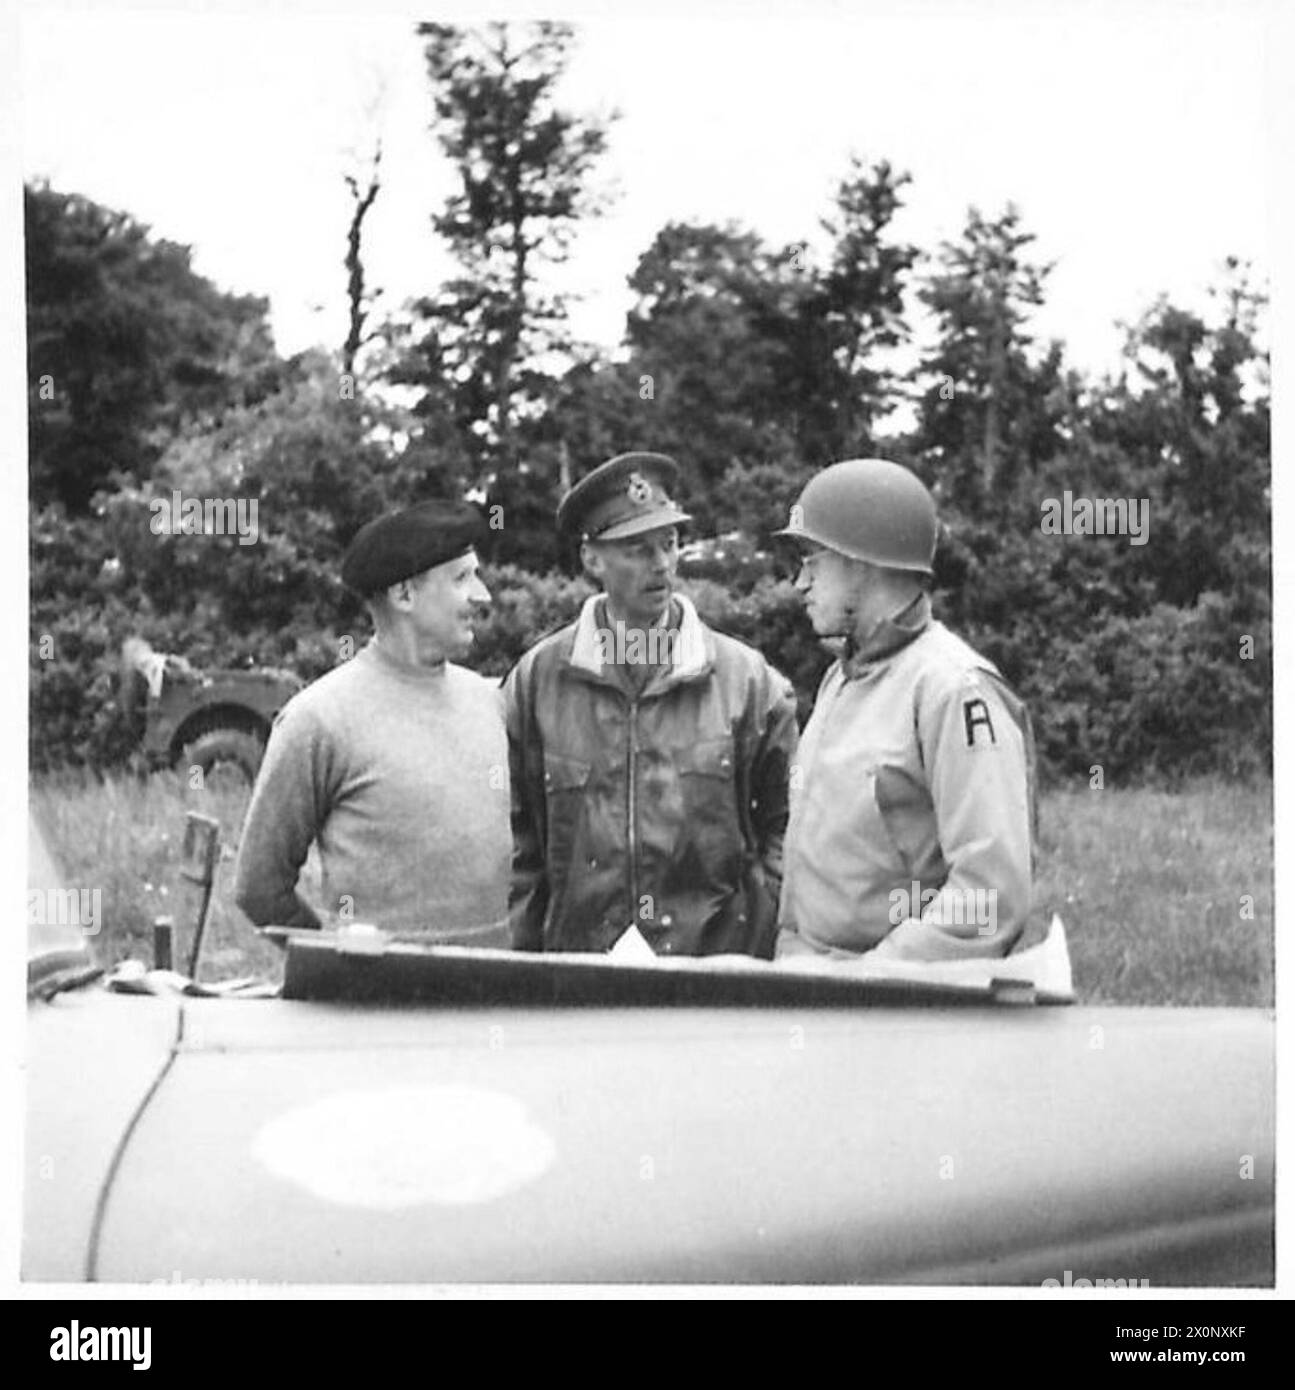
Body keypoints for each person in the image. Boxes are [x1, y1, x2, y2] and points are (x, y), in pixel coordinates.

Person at [505, 451, 798, 958]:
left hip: (712, 975)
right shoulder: (538, 679)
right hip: (578, 977)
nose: (661, 564)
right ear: (592, 560)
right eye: (637, 550)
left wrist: (755, 927)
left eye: (669, 543)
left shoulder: (745, 679)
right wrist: (526, 960)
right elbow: (516, 842)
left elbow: (788, 825)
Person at [774, 458, 1036, 962]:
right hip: (816, 990)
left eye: (812, 560)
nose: (799, 584)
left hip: (892, 1011)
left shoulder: (953, 688)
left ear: (860, 559)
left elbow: (990, 896)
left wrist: (875, 978)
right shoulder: (842, 675)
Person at [234, 500, 511, 941]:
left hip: (495, 1002)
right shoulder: (318, 719)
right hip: (372, 1005)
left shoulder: (491, 701)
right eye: (462, 577)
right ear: (404, 595)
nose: (483, 594)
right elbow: (259, 888)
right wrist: (333, 961)